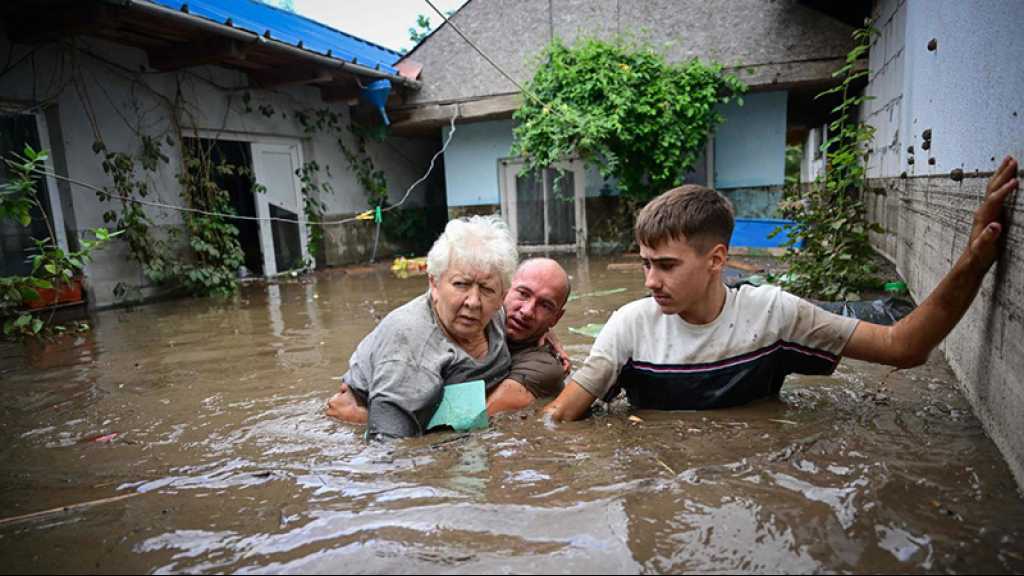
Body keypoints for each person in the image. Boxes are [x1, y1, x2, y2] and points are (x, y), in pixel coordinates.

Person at [544, 156, 1019, 422]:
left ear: (717, 260)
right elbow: (558, 419)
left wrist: (973, 260)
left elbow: (905, 346)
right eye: (646, 264)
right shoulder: (629, 326)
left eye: (666, 266)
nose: (650, 282)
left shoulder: (773, 314)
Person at [327, 215, 518, 440]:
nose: (473, 302)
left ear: (502, 297)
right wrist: (364, 421)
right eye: (461, 284)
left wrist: (546, 335)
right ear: (434, 284)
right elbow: (389, 448)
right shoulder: (411, 344)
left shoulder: (499, 314)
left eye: (486, 289)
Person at [327, 257, 572, 430]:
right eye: (523, 294)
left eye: (545, 305)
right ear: (503, 290)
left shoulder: (545, 367)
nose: (528, 311)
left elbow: (471, 417)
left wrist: (361, 417)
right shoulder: (480, 314)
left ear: (556, 318)